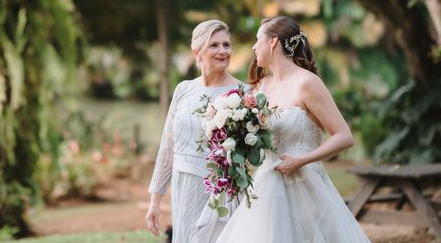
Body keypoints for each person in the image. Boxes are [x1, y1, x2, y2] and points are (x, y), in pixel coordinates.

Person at [215, 15, 371, 242]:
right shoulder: (261, 87)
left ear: (273, 42)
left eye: (258, 40)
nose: (253, 47)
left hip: (306, 187)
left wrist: (302, 160)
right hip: (267, 188)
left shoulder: (307, 83)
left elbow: (344, 136)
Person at [146, 19, 243, 243]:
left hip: (221, 193)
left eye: (226, 45)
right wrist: (155, 200)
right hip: (184, 188)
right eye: (214, 45)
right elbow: (167, 146)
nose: (223, 51)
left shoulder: (242, 92)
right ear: (196, 52)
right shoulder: (184, 89)